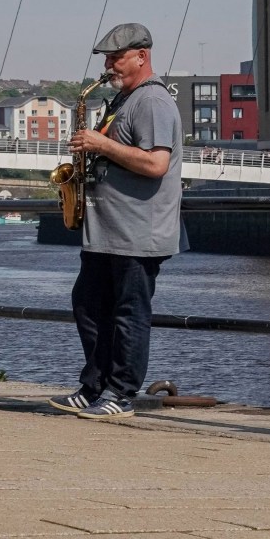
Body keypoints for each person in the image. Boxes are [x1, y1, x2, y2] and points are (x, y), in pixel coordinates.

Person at [48, 22, 186, 420]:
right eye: (107, 58)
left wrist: (101, 143)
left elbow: (157, 163)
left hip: (138, 231)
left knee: (128, 314)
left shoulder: (153, 102)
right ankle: (95, 385)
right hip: (107, 231)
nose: (109, 66)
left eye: (116, 57)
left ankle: (121, 394)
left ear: (142, 56)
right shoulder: (123, 101)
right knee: (88, 305)